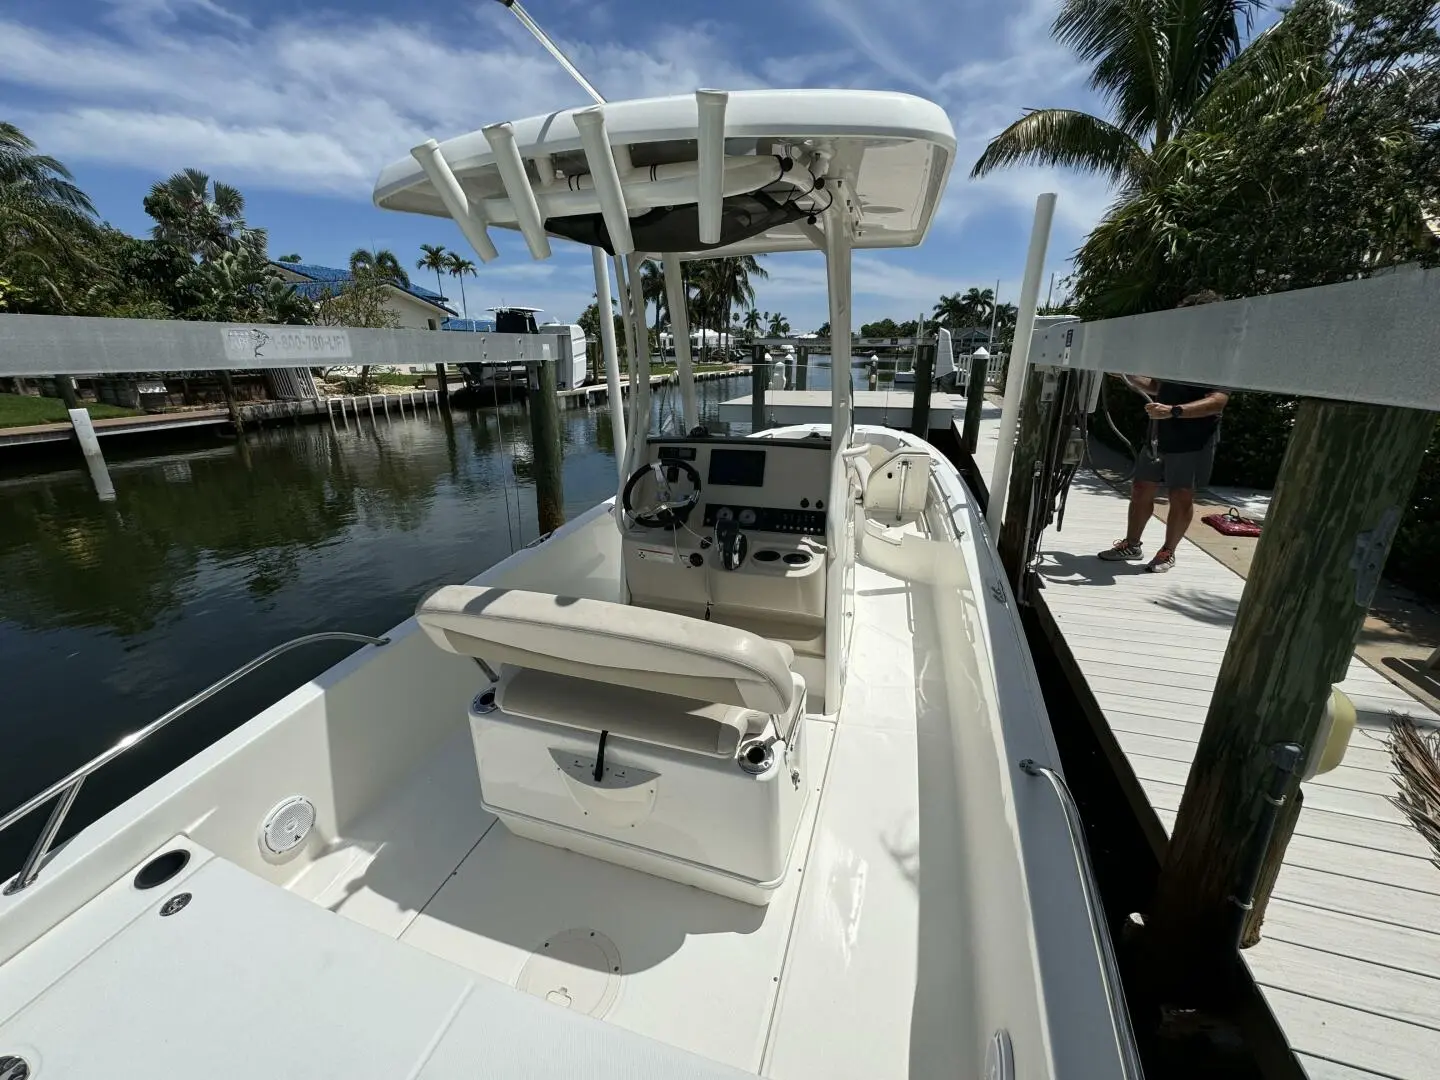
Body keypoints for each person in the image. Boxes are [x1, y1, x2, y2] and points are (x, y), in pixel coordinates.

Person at [1098, 291, 1230, 573]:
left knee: (1181, 495)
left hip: (1193, 439)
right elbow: (1158, 386)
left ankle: (1168, 551)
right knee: (1140, 488)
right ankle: (1132, 544)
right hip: (1159, 435)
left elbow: (1218, 400)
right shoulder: (1177, 351)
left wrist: (1174, 411)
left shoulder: (1220, 355)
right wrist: (1129, 376)